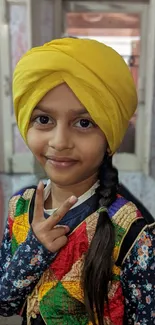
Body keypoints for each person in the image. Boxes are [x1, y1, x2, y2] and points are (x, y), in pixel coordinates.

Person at [0, 38, 154, 325]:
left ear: (110, 135)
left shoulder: (132, 231)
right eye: (43, 119)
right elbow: (6, 303)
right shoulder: (20, 208)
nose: (59, 142)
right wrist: (36, 248)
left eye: (84, 123)